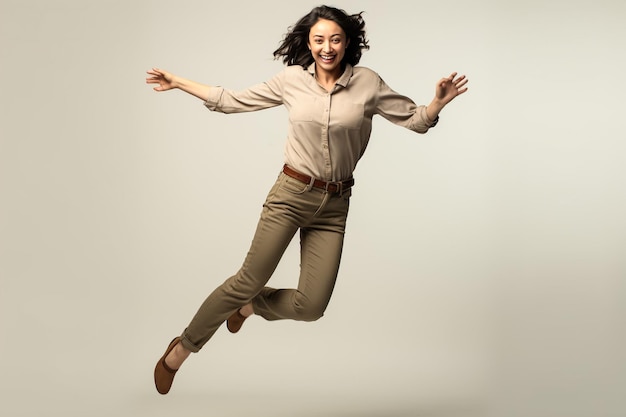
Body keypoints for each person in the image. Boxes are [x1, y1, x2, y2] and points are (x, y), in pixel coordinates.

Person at [146, 5, 468, 395]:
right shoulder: (291, 80)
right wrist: (178, 81)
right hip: (290, 195)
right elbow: (230, 100)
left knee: (311, 306)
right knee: (247, 280)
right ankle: (181, 349)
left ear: (347, 42)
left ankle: (250, 308)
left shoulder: (368, 83)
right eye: (319, 40)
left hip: (335, 206)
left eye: (335, 39)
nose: (327, 47)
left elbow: (415, 120)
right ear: (309, 43)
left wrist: (437, 103)